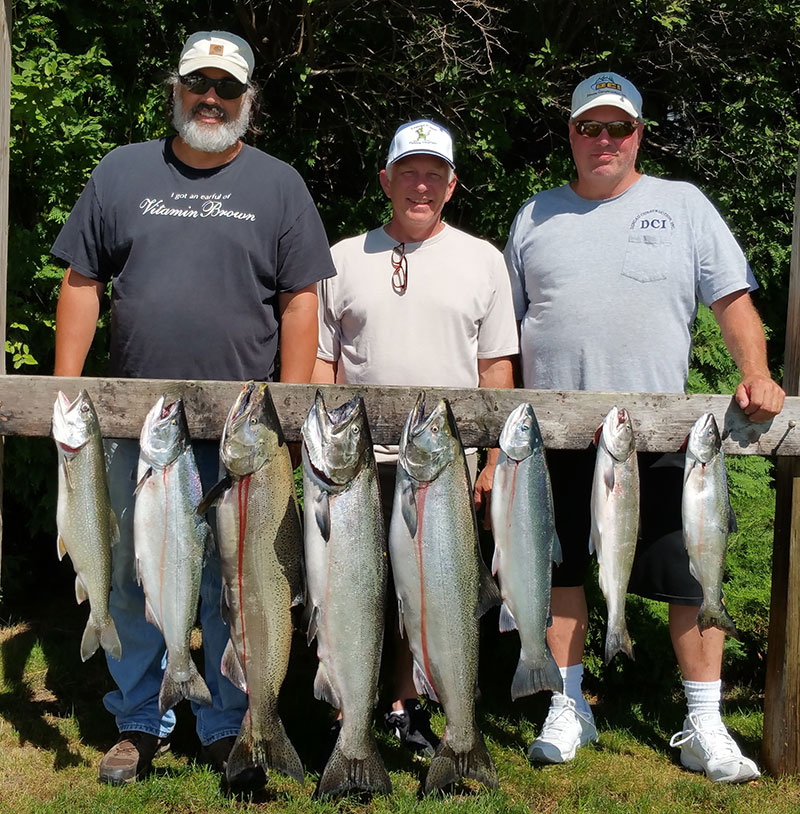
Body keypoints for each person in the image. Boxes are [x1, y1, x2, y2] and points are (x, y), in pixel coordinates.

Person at [51, 30, 336, 788]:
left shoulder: (279, 185)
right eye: (198, 84)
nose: (212, 99)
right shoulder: (122, 171)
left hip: (240, 432)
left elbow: (301, 297)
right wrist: (66, 393)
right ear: (175, 91)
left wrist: (286, 405)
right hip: (133, 426)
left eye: (227, 88)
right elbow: (82, 279)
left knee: (236, 579)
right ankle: (140, 719)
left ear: (249, 101)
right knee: (131, 571)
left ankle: (225, 722)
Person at [504, 72, 785, 783]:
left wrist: (756, 369)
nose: (604, 140)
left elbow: (732, 299)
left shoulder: (684, 205)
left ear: (638, 136)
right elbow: (501, 335)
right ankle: (568, 705)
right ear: (570, 134)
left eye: (618, 128)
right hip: (553, 431)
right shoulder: (533, 215)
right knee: (560, 566)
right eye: (590, 128)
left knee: (691, 573)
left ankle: (704, 720)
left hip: (661, 432)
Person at [313, 119, 518, 754]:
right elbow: (325, 362)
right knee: (350, 589)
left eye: (434, 174)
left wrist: (491, 464)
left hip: (444, 465)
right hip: (353, 461)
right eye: (409, 172)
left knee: (427, 592)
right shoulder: (342, 258)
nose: (420, 186)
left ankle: (408, 705)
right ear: (386, 180)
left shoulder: (484, 260)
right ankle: (348, 704)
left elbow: (497, 370)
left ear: (452, 185)